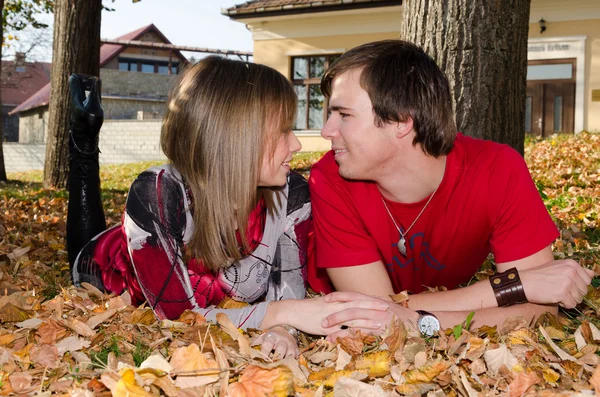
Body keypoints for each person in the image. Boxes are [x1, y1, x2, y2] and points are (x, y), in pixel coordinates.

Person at [66, 56, 389, 358]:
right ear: (236, 139)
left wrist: (282, 330)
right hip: (111, 268)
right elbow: (178, 316)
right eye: (281, 132)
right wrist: (280, 314)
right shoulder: (159, 191)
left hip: (210, 289)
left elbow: (288, 293)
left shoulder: (292, 193)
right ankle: (83, 141)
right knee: (86, 255)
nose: (297, 144)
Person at [307, 40, 595, 340]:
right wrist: (508, 286)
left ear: (402, 121)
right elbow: (372, 315)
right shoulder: (330, 178)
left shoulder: (496, 170)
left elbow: (541, 311)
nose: (326, 130)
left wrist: (418, 324)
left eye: (344, 115)